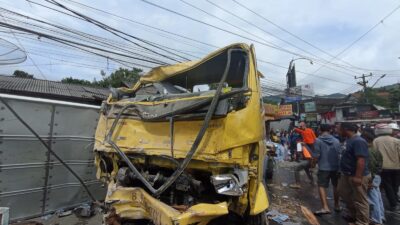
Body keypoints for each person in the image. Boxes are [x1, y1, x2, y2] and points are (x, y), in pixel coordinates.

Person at [338, 123, 371, 225]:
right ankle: (354, 215)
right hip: (347, 174)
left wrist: (358, 176)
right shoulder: (349, 140)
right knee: (343, 193)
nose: (338, 131)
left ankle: (362, 222)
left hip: (357, 175)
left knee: (360, 200)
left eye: (339, 129)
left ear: (346, 129)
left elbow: (361, 160)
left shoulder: (358, 141)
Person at [313, 124, 341, 215]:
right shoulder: (336, 141)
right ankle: (337, 205)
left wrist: (313, 164)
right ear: (330, 130)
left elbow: (316, 156)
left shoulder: (318, 140)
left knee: (321, 186)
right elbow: (339, 154)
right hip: (335, 167)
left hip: (323, 168)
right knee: (335, 186)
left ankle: (325, 207)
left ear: (320, 130)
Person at [373, 123, 400, 214]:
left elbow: (375, 154)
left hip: (383, 167)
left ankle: (393, 204)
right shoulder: (396, 141)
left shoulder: (376, 141)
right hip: (396, 167)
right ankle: (395, 200)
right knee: (395, 185)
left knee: (388, 186)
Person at [361, 131, 385, 225]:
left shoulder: (368, 151)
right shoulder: (375, 150)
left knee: (373, 198)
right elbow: (379, 165)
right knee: (377, 197)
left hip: (372, 176)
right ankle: (381, 216)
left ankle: (376, 219)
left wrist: (371, 180)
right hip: (377, 176)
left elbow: (371, 166)